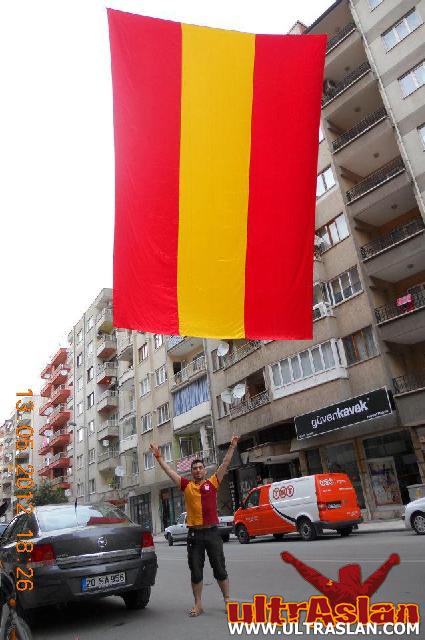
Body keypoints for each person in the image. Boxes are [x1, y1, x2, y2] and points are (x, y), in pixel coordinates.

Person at [149, 434, 239, 617]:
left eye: (200, 468)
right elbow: (170, 472)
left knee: (219, 568)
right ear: (191, 472)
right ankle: (198, 604)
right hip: (194, 535)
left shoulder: (213, 482)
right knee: (196, 571)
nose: (197, 470)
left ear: (204, 470)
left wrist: (232, 446)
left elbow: (225, 464)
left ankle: (227, 599)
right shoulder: (187, 486)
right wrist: (159, 458)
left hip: (212, 533)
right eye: (194, 468)